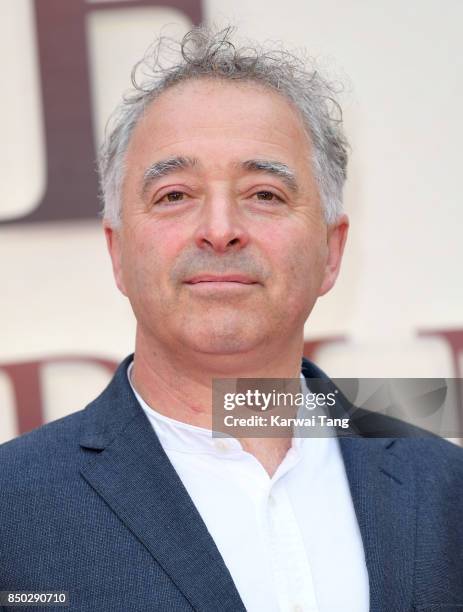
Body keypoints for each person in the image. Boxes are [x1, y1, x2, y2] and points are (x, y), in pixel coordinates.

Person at [1, 25, 462, 612]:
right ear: (118, 253)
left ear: (331, 252)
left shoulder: (446, 490)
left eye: (264, 193)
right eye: (174, 195)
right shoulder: (11, 510)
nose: (219, 229)